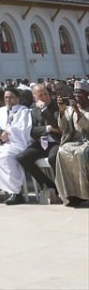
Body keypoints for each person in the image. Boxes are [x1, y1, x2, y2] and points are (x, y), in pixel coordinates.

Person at [0, 87, 32, 204]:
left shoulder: (23, 110)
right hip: (3, 141)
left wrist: (7, 133)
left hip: (18, 142)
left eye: (11, 97)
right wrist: (1, 134)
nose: (9, 100)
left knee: (7, 156)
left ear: (17, 98)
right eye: (6, 98)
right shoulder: (1, 111)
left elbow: (22, 129)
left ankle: (16, 192)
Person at [17, 83, 61, 198]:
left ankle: (62, 187)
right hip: (42, 142)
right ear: (35, 98)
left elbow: (57, 124)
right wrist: (48, 128)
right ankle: (48, 184)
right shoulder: (33, 111)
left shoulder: (56, 107)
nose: (44, 97)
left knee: (53, 158)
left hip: (57, 141)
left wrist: (45, 110)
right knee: (22, 157)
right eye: (40, 95)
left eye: (46, 94)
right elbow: (32, 131)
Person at [54, 80, 89, 208]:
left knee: (80, 154)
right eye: (76, 94)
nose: (77, 98)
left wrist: (78, 112)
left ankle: (83, 194)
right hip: (74, 141)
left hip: (86, 141)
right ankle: (71, 195)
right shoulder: (70, 109)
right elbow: (63, 128)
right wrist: (62, 111)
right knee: (62, 152)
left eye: (80, 95)